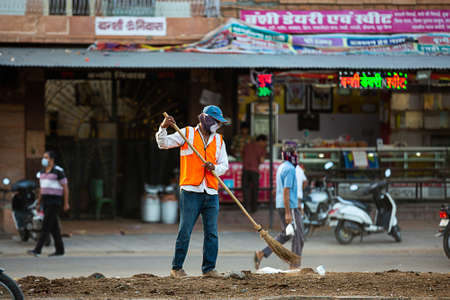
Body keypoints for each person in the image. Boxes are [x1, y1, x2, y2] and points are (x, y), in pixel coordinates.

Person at [156, 105, 229, 278]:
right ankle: (177, 267)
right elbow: (163, 143)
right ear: (206, 120)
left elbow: (224, 165)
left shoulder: (219, 140)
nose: (218, 125)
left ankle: (209, 269)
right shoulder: (186, 134)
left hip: (211, 192)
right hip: (190, 191)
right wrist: (163, 127)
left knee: (211, 233)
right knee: (185, 231)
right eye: (216, 121)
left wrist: (214, 168)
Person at [253, 146, 304, 270]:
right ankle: (294, 265)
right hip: (289, 206)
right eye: (295, 154)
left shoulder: (281, 167)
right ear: (291, 155)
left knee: (285, 235)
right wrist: (288, 212)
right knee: (298, 236)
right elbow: (286, 190)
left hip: (281, 204)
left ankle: (262, 253)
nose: (297, 156)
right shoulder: (290, 169)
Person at [27, 151, 70, 257]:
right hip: (45, 201)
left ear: (51, 159)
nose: (44, 159)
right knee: (54, 227)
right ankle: (60, 250)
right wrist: (38, 202)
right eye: (43, 157)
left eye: (46, 157)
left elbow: (65, 187)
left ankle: (38, 250)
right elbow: (42, 189)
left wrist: (66, 203)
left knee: (46, 226)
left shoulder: (58, 171)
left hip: (54, 201)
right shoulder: (42, 172)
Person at [242, 134, 267, 213]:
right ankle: (254, 208)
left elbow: (242, 155)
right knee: (254, 190)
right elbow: (262, 160)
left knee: (246, 189)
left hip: (245, 170)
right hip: (254, 171)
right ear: (261, 141)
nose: (265, 144)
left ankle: (246, 208)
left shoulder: (247, 145)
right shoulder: (261, 148)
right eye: (265, 142)